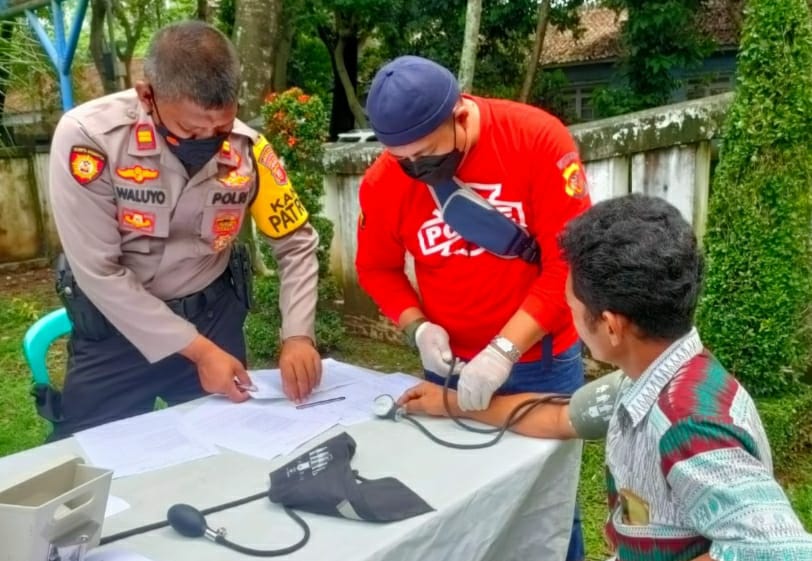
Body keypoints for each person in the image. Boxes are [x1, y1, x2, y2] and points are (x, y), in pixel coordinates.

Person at [400, 194, 812, 561]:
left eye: (572, 310)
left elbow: (779, 549)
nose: (571, 320)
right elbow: (561, 418)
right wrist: (450, 402)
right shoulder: (646, 380)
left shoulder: (688, 425)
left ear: (611, 327)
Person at [356, 55, 589, 560]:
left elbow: (566, 265)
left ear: (460, 115)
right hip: (448, 370)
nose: (417, 169)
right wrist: (417, 327)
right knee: (459, 496)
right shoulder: (383, 182)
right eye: (404, 160)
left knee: (548, 502)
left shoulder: (536, 141)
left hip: (539, 363)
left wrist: (504, 349)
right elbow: (377, 269)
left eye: (428, 154)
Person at [46, 21, 321, 439]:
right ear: (147, 96)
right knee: (91, 461)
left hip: (213, 317)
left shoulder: (248, 151)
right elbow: (99, 270)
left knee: (233, 451)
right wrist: (198, 351)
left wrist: (298, 334)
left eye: (221, 128)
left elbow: (296, 244)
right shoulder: (91, 140)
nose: (209, 141)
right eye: (192, 131)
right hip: (115, 331)